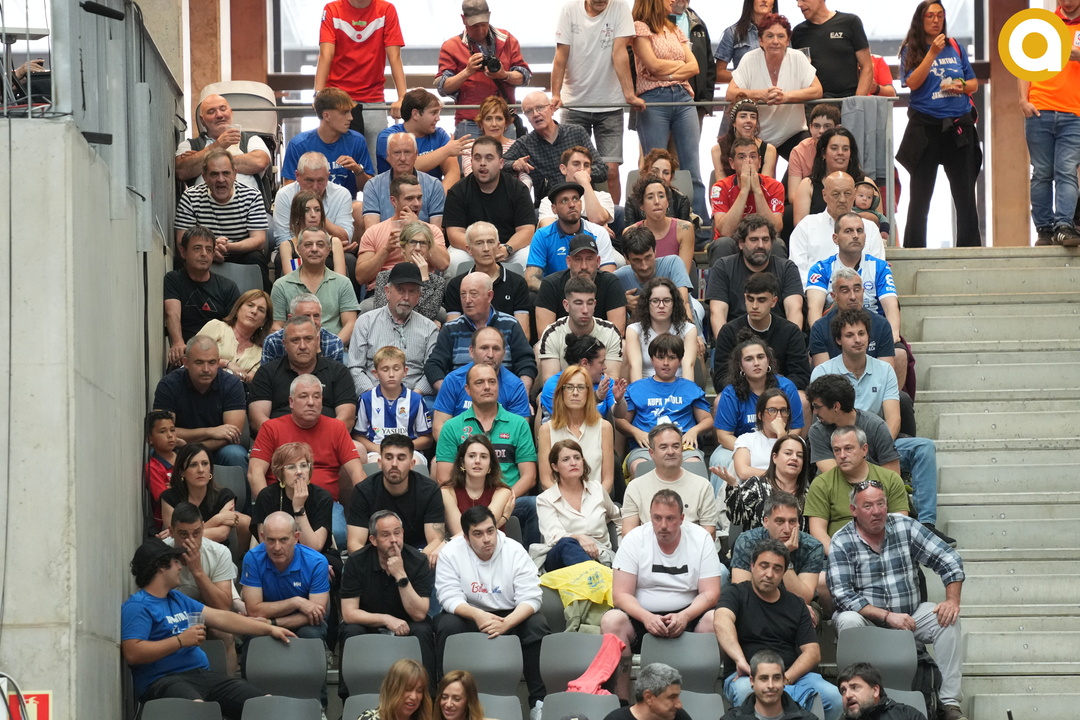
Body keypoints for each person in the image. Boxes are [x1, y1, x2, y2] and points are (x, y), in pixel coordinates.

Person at [827, 482, 967, 720]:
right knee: (848, 620)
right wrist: (886, 616)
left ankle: (949, 703)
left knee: (946, 618)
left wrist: (952, 601)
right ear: (854, 510)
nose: (876, 511)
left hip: (910, 616)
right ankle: (857, 701)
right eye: (868, 506)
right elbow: (841, 594)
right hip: (867, 620)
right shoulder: (842, 540)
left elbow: (948, 558)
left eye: (880, 503)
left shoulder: (905, 526)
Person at [120, 537, 295, 718]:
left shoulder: (177, 598)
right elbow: (133, 653)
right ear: (161, 567)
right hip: (163, 680)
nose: (180, 567)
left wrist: (269, 628)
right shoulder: (138, 606)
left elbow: (221, 617)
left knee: (264, 704)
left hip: (201, 675)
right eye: (175, 562)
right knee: (198, 711)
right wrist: (179, 641)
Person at [810, 310, 945, 542]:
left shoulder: (884, 370)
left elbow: (893, 418)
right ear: (838, 340)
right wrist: (856, 453)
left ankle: (926, 523)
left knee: (923, 447)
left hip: (877, 440)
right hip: (842, 449)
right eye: (850, 335)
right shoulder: (823, 372)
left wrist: (873, 446)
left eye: (862, 333)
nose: (857, 339)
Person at [600, 490, 722, 701]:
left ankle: (702, 698)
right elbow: (620, 594)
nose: (663, 525)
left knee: (717, 619)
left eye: (670, 518)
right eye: (657, 518)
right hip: (642, 616)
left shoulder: (700, 538)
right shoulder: (635, 539)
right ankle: (622, 702)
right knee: (611, 620)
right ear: (650, 516)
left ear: (681, 518)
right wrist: (646, 617)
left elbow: (711, 593)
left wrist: (685, 616)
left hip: (690, 615)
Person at [434, 506, 550, 714]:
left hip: (510, 615)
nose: (487, 539)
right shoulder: (451, 553)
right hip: (470, 614)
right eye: (478, 534)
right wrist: (477, 614)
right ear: (466, 538)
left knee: (537, 624)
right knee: (446, 624)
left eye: (490, 531)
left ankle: (538, 704)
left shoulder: (514, 550)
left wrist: (507, 623)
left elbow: (532, 597)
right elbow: (448, 596)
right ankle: (446, 698)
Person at [714, 538, 840, 720]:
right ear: (752, 566)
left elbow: (812, 653)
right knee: (746, 691)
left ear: (783, 573)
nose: (769, 574)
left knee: (834, 697)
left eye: (777, 568)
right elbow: (721, 621)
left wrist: (784, 680)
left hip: (792, 676)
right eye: (764, 566)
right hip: (746, 675)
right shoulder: (735, 593)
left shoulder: (796, 604)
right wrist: (740, 661)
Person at [896, 1, 982, 248]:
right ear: (920, 19)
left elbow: (973, 83)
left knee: (965, 195)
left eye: (940, 16)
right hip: (926, 128)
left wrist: (960, 86)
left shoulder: (955, 46)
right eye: (930, 16)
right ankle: (914, 249)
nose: (936, 20)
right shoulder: (911, 49)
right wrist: (932, 53)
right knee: (921, 194)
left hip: (959, 127)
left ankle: (970, 250)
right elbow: (912, 82)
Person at [247, 373, 366, 550]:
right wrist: (269, 508)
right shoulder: (271, 428)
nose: (311, 402)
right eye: (303, 396)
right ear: (291, 401)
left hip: (323, 503)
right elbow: (254, 473)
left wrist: (366, 511)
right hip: (280, 501)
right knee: (278, 536)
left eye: (316, 396)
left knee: (339, 535)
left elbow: (357, 473)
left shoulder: (337, 428)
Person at [434, 364, 539, 544]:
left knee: (533, 504)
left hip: (508, 498)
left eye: (492, 382)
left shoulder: (518, 424)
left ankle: (529, 558)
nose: (487, 387)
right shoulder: (451, 427)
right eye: (479, 382)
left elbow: (529, 477)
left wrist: (503, 498)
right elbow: (444, 478)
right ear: (467, 389)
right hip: (465, 501)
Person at [551, 0, 641, 203]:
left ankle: (613, 217)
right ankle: (576, 216)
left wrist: (629, 94)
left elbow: (619, 52)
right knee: (574, 170)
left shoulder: (620, 7)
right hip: (574, 102)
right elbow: (561, 54)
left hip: (610, 103)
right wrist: (556, 94)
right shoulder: (569, 10)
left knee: (611, 170)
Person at [339, 511, 436, 690]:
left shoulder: (418, 561)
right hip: (370, 623)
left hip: (407, 623)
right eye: (385, 535)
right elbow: (349, 613)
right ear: (373, 540)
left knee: (423, 630)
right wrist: (385, 619)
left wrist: (401, 575)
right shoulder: (356, 561)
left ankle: (427, 697)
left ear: (403, 533)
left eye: (397, 533)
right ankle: (350, 697)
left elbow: (420, 613)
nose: (393, 540)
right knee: (350, 631)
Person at [630, 0, 706, 227]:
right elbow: (652, 65)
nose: (673, 0)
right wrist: (677, 68)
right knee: (654, 171)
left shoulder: (674, 28)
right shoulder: (639, 27)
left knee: (693, 170)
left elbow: (694, 67)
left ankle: (701, 230)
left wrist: (668, 75)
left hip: (684, 98)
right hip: (654, 100)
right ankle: (653, 228)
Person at [1020, 0, 1080, 247]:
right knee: (1042, 173)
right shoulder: (1044, 25)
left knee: (1066, 171)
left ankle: (1064, 225)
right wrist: (1023, 100)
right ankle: (1044, 229)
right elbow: (1023, 62)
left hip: (1075, 112)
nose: (1067, 1)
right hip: (1039, 108)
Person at [314, 0, 408, 152]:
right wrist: (318, 94)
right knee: (335, 157)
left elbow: (395, 57)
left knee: (377, 159)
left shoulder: (386, 9)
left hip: (373, 98)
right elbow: (326, 54)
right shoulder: (332, 9)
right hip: (338, 99)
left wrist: (403, 98)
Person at [163, 502, 244, 676]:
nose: (191, 541)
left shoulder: (219, 552)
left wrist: (198, 571)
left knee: (225, 632)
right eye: (183, 534)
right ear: (171, 531)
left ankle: (229, 684)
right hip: (174, 616)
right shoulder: (160, 554)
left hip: (210, 613)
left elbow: (223, 606)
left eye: (196, 533)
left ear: (203, 528)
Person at [725, 14, 822, 159]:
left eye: (781, 36)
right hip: (757, 135)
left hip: (793, 133)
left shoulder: (798, 57)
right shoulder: (750, 59)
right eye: (770, 36)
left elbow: (817, 90)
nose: (775, 41)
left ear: (788, 40)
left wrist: (786, 97)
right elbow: (730, 93)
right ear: (760, 40)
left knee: (810, 160)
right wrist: (761, 95)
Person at [710, 336, 805, 482]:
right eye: (749, 359)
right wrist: (751, 450)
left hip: (780, 442)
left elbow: (796, 428)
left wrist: (777, 446)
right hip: (742, 446)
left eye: (760, 357)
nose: (756, 363)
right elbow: (723, 436)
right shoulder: (731, 393)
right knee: (721, 459)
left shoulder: (786, 387)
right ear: (740, 366)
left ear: (768, 360)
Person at [615, 337, 712, 479]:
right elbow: (620, 420)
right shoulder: (636, 388)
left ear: (680, 360)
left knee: (695, 466)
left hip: (683, 448)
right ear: (652, 359)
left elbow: (707, 420)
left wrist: (694, 431)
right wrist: (636, 432)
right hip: (646, 448)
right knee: (640, 467)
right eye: (660, 357)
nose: (666, 363)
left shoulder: (690, 388)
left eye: (672, 358)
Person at [424, 272, 537, 394]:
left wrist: (521, 395)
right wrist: (449, 394)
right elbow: (434, 365)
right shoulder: (451, 328)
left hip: (504, 394)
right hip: (461, 394)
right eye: (463, 294)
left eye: (473, 294)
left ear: (489, 296)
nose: (467, 300)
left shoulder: (510, 324)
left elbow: (526, 363)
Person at [436, 0, 531, 140]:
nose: (480, 30)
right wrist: (467, 72)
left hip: (503, 120)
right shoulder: (451, 46)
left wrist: (504, 75)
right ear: (463, 19)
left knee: (507, 155)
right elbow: (442, 88)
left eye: (483, 24)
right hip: (470, 121)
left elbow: (524, 77)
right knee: (470, 156)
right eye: (474, 26)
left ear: (489, 16)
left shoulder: (507, 40)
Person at [803, 428, 908, 554]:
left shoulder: (890, 479)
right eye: (837, 450)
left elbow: (900, 525)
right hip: (838, 554)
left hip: (884, 553)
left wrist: (879, 556)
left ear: (864, 449)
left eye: (848, 448)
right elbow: (818, 532)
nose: (842, 455)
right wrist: (840, 557)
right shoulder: (822, 483)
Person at [248, 315, 357, 432]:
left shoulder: (338, 372)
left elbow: (347, 419)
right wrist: (287, 439)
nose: (302, 346)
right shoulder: (266, 373)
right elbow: (257, 420)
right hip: (279, 440)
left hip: (329, 439)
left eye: (308, 339)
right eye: (295, 340)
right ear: (284, 344)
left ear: (317, 341)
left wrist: (321, 439)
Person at [174, 150, 269, 283]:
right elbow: (182, 241)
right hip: (203, 253)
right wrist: (210, 250)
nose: (220, 179)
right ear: (204, 176)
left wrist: (228, 247)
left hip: (240, 253)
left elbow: (259, 240)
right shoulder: (191, 197)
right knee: (181, 259)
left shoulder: (252, 196)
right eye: (214, 174)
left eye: (226, 173)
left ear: (234, 174)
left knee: (256, 257)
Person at [444, 135, 538, 269]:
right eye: (477, 158)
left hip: (507, 248)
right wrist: (480, 248)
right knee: (455, 260)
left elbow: (526, 230)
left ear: (501, 163)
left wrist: (507, 248)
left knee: (527, 257)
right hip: (472, 248)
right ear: (471, 162)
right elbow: (454, 233)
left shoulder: (518, 189)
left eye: (489, 158)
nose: (482, 163)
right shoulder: (457, 191)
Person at [152, 335, 247, 467]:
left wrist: (192, 447)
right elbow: (162, 432)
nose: (206, 369)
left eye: (212, 362)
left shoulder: (232, 384)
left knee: (235, 454)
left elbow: (232, 435)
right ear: (186, 362)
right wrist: (210, 431)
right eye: (199, 362)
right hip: (178, 448)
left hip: (217, 449)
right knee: (159, 454)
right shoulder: (169, 385)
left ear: (218, 362)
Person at [346, 435, 446, 559]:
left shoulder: (429, 490)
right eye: (388, 458)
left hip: (418, 553)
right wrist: (382, 563)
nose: (394, 464)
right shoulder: (363, 491)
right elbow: (354, 544)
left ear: (412, 464)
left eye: (401, 458)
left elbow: (436, 540)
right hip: (376, 555)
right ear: (380, 462)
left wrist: (414, 564)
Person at [807, 266, 906, 392]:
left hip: (874, 389)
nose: (853, 296)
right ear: (834, 296)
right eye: (845, 291)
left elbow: (885, 375)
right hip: (835, 391)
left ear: (863, 292)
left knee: (902, 398)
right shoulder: (820, 327)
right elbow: (824, 378)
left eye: (857, 290)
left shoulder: (881, 324)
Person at [349, 262, 440, 397]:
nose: (406, 297)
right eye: (400, 290)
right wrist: (372, 396)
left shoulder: (429, 328)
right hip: (372, 395)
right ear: (387, 292)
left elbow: (431, 371)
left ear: (419, 296)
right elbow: (355, 367)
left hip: (415, 396)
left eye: (412, 291)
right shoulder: (366, 322)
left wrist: (414, 396)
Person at [241, 511, 331, 644]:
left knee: (310, 634)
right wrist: (295, 602)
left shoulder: (316, 562)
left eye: (283, 540)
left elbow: (316, 614)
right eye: (271, 540)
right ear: (263, 537)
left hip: (301, 622)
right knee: (254, 636)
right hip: (264, 621)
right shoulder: (253, 558)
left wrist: (271, 623)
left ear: (296, 537)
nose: (277, 547)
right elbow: (254, 610)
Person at [705, 215, 804, 336]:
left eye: (765, 239)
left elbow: (794, 310)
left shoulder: (787, 268)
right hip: (735, 339)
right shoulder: (723, 267)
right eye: (754, 239)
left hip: (777, 339)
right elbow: (717, 313)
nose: (760, 245)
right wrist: (725, 343)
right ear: (741, 244)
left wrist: (792, 341)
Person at [804, 213, 899, 337]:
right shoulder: (820, 269)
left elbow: (891, 306)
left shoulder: (880, 267)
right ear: (835, 238)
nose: (855, 236)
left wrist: (893, 336)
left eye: (859, 231)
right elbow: (814, 310)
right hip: (834, 334)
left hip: (873, 333)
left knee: (899, 349)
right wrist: (821, 339)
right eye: (848, 231)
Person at [504, 91, 608, 203]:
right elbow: (499, 163)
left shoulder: (577, 132)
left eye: (540, 108)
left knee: (616, 211)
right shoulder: (524, 144)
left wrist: (580, 172)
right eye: (529, 111)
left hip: (581, 199)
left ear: (552, 109)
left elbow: (602, 170)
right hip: (548, 204)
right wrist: (514, 165)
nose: (535, 114)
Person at [532, 439, 621, 570]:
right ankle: (595, 575)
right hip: (561, 560)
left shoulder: (597, 489)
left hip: (599, 555)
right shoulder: (545, 499)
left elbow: (619, 520)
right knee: (566, 543)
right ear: (555, 467)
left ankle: (593, 574)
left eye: (577, 458)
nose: (573, 463)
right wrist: (579, 538)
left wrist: (622, 548)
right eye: (566, 459)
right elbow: (554, 535)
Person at [714, 273, 809, 394]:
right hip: (742, 394)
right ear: (745, 298)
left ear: (773, 301)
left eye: (761, 300)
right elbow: (721, 378)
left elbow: (801, 375)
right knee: (719, 400)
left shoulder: (790, 331)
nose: (754, 306)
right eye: (750, 299)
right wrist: (752, 390)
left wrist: (770, 392)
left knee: (802, 398)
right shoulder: (729, 331)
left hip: (781, 394)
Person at [433, 327, 531, 439]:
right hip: (460, 446)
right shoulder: (453, 380)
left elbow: (520, 433)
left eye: (496, 349)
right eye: (484, 348)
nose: (490, 354)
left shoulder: (515, 386)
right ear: (471, 351)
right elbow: (439, 428)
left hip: (502, 447)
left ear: (504, 353)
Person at [356, 174, 451, 290]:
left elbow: (443, 264)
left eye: (419, 198)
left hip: (421, 289)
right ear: (394, 201)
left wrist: (418, 226)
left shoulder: (432, 231)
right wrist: (386, 250)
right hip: (383, 289)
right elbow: (361, 277)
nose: (416, 203)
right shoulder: (374, 232)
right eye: (409, 199)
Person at [619, 424, 717, 537]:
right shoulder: (635, 487)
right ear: (651, 453)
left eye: (675, 446)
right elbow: (628, 533)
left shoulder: (703, 486)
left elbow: (709, 532)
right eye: (663, 447)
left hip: (693, 545)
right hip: (648, 545)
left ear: (682, 450)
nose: (670, 452)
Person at [252, 442, 338, 568]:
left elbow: (313, 549)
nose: (299, 472)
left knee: (326, 569)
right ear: (280, 473)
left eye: (303, 465)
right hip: (276, 557)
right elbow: (268, 545)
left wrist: (299, 508)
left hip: (316, 557)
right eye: (291, 467)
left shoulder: (322, 497)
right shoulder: (267, 497)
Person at [270, 226, 360, 346]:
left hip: (334, 349)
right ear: (298, 250)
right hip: (295, 350)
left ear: (328, 250)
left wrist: (332, 347)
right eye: (308, 244)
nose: (314, 249)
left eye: (320, 245)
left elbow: (350, 323)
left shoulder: (343, 283)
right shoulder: (281, 285)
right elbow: (277, 326)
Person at [729, 494, 823, 608]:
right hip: (756, 604)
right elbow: (741, 593)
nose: (787, 529)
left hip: (797, 607)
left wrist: (784, 555)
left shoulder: (812, 547)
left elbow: (803, 598)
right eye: (780, 521)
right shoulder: (748, 541)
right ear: (766, 522)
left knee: (810, 613)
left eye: (792, 521)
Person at [790, 171, 885, 285]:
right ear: (824, 195)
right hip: (814, 293)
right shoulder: (806, 226)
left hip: (862, 294)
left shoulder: (870, 229)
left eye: (847, 194)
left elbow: (877, 271)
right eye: (836, 194)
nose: (842, 199)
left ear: (855, 194)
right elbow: (798, 272)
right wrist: (817, 292)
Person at [165, 226, 242, 364]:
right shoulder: (174, 279)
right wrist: (177, 342)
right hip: (186, 351)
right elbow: (172, 313)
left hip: (219, 353)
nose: (204, 254)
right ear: (183, 252)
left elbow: (234, 329)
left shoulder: (228, 287)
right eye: (197, 248)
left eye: (209, 249)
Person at [282, 88, 374, 200]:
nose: (351, 118)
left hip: (346, 205)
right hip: (309, 205)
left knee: (358, 207)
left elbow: (369, 189)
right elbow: (288, 188)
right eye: (344, 112)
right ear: (326, 116)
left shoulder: (357, 141)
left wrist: (358, 171)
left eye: (350, 112)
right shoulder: (299, 144)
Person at [443, 221, 531, 338]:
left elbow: (522, 335)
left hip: (507, 346)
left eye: (490, 242)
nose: (486, 248)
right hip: (467, 346)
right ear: (469, 249)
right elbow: (452, 334)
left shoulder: (517, 283)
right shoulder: (456, 285)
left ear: (498, 246)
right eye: (479, 243)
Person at [537, 365, 617, 495]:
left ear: (588, 393)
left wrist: (591, 502)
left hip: (596, 502)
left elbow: (607, 481)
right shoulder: (546, 430)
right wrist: (569, 502)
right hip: (558, 503)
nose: (575, 393)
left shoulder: (604, 427)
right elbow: (546, 481)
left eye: (581, 387)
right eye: (569, 387)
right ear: (561, 392)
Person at [526, 181, 619, 288]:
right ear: (554, 208)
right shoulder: (542, 236)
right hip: (555, 292)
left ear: (581, 203)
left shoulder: (599, 232)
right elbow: (530, 279)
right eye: (564, 201)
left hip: (592, 292)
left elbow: (609, 278)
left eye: (575, 199)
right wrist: (556, 293)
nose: (572, 205)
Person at [273, 153, 354, 275]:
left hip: (330, 249)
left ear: (328, 176)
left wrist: (321, 219)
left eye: (321, 180)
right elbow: (283, 238)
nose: (315, 187)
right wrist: (312, 245)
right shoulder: (284, 195)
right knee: (282, 259)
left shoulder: (342, 194)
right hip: (296, 249)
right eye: (309, 180)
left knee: (350, 259)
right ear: (297, 176)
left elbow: (345, 237)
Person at [176, 93, 272, 194]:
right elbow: (181, 171)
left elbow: (260, 162)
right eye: (211, 112)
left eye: (223, 109)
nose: (219, 115)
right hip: (203, 204)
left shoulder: (251, 140)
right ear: (202, 120)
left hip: (249, 203)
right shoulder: (189, 145)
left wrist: (202, 160)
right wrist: (218, 145)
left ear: (231, 113)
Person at [535, 234, 628, 337]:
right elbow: (544, 334)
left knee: (624, 344)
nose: (584, 266)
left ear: (598, 261)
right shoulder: (551, 284)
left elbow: (617, 333)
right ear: (569, 261)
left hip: (602, 345)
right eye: (578, 259)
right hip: (561, 345)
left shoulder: (610, 282)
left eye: (589, 259)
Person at [537, 275, 624, 385]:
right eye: (578, 303)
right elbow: (550, 383)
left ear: (595, 304)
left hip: (598, 392)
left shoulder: (610, 332)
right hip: (564, 392)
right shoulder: (552, 333)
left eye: (590, 303)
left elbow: (611, 379)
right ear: (566, 305)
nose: (585, 310)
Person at [709, 137, 786, 259]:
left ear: (759, 162)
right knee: (722, 244)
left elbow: (775, 228)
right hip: (732, 241)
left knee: (777, 244)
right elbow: (725, 231)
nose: (748, 161)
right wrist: (744, 190)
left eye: (753, 156)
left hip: (761, 240)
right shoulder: (720, 187)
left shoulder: (775, 186)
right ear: (732, 163)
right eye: (741, 157)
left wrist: (757, 190)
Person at [376, 88, 467, 191]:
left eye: (439, 113)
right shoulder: (388, 137)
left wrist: (440, 197)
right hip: (393, 197)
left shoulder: (440, 135)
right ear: (415, 114)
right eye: (433, 113)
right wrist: (446, 150)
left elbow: (453, 172)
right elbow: (406, 167)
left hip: (433, 197)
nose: (438, 118)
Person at [355, 345, 434, 464]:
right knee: (374, 463)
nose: (391, 374)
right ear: (375, 373)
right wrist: (379, 448)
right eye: (385, 369)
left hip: (410, 450)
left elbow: (427, 439)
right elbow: (358, 436)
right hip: (377, 451)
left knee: (416, 463)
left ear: (405, 371)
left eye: (396, 369)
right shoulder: (366, 399)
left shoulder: (416, 400)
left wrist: (403, 447)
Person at [160, 443, 249, 546]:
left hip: (216, 551)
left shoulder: (225, 496)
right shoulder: (169, 498)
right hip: (181, 553)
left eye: (205, 463)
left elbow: (222, 534)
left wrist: (183, 535)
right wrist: (217, 519)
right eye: (193, 465)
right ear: (181, 472)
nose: (201, 470)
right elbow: (174, 539)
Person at [721, 433, 811, 533]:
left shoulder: (809, 494)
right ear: (774, 457)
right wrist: (733, 486)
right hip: (758, 543)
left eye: (800, 456)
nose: (794, 458)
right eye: (788, 453)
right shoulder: (756, 485)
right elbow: (737, 518)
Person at [616, 225, 700, 328]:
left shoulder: (673, 264)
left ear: (655, 251)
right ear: (626, 258)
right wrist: (622, 304)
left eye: (648, 257)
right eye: (636, 260)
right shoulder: (618, 278)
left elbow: (682, 304)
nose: (644, 266)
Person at [792, 130, 877, 228]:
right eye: (834, 148)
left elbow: (879, 222)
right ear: (823, 153)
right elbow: (800, 226)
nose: (840, 153)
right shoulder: (807, 185)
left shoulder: (866, 183)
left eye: (845, 149)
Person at [364, 132, 447, 230]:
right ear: (388, 155)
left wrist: (415, 224)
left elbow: (437, 232)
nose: (402, 158)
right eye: (397, 153)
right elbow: (371, 231)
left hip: (422, 239)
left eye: (407, 152)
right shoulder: (373, 186)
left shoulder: (434, 185)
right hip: (385, 238)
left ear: (416, 154)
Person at [370, 221, 450, 322]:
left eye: (423, 243)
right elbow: (384, 315)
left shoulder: (437, 283)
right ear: (403, 247)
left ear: (428, 249)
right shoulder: (384, 277)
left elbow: (426, 317)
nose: (417, 248)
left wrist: (425, 279)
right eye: (412, 242)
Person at [791, 0, 873, 99]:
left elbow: (866, 66)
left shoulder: (850, 22)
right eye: (797, 0)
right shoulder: (798, 32)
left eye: (803, 0)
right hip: (815, 103)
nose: (799, 4)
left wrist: (858, 102)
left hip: (848, 100)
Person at [718, 388, 797, 485]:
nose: (779, 416)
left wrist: (781, 434)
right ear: (760, 415)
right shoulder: (746, 439)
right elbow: (743, 472)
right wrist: (778, 476)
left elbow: (795, 472)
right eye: (772, 410)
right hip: (755, 490)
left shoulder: (797, 443)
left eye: (783, 410)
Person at [626, 277, 698, 381]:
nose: (661, 306)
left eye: (666, 300)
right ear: (647, 303)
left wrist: (686, 391)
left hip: (678, 386)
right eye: (655, 301)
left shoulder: (689, 329)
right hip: (646, 386)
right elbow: (635, 368)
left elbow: (688, 367)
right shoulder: (634, 330)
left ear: (674, 303)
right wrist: (640, 391)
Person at [441, 435, 514, 536]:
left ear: (490, 464)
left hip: (494, 545)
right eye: (472, 456)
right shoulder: (447, 492)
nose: (477, 461)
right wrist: (502, 520)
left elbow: (483, 527)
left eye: (483, 457)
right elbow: (461, 535)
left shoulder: (502, 492)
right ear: (462, 463)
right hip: (460, 546)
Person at [537, 335, 620, 422]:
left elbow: (619, 415)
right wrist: (596, 397)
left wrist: (620, 401)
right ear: (585, 363)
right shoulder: (554, 385)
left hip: (597, 430)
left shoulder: (604, 383)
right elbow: (570, 420)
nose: (605, 367)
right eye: (601, 362)